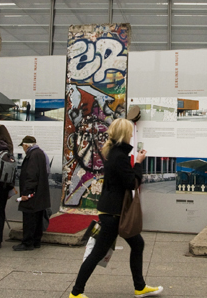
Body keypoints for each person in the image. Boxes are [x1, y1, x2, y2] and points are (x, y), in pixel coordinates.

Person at [69, 118, 162, 298]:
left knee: (137, 244)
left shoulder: (114, 153)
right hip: (113, 213)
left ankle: (140, 287)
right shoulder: (119, 157)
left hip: (113, 211)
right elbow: (132, 182)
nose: (131, 135)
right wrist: (139, 163)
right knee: (98, 252)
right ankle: (76, 292)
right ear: (124, 134)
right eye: (129, 132)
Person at [13, 135, 50, 251]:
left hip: (32, 193)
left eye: (23, 146)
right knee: (38, 217)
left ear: (26, 145)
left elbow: (31, 175)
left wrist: (26, 192)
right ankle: (36, 241)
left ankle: (27, 242)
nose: (23, 149)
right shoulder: (41, 153)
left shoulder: (32, 155)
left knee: (29, 218)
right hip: (40, 192)